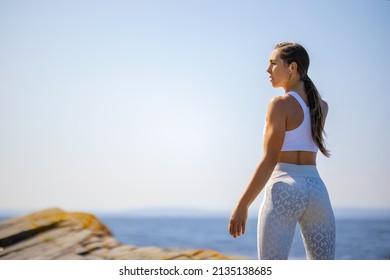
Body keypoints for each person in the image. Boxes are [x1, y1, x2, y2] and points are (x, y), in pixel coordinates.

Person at [228, 42, 335, 260]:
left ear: (292, 67)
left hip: (284, 188)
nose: (267, 70)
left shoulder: (279, 104)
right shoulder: (322, 106)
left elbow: (269, 159)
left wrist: (242, 205)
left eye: (273, 64)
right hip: (317, 191)